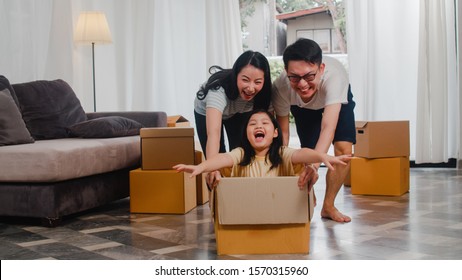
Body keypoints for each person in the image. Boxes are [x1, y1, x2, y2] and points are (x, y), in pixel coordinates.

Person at [272, 38, 356, 223]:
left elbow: (328, 128)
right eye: (294, 77)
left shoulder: (335, 77)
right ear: (286, 72)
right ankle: (307, 197)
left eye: (309, 76)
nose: (302, 84)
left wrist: (315, 167)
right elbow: (283, 135)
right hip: (302, 107)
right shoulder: (281, 87)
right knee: (307, 153)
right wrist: (282, 162)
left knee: (343, 150)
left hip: (334, 101)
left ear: (321, 69)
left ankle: (328, 206)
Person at [175, 109, 350, 182]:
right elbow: (222, 158)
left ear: (275, 132)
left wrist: (321, 156)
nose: (258, 126)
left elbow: (302, 154)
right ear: (246, 133)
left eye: (265, 123)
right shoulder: (241, 154)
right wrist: (202, 167)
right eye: (253, 124)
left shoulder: (282, 153)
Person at [194, 50, 272, 187]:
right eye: (245, 80)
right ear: (236, 75)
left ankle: (240, 194)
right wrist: (212, 168)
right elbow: (214, 134)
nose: (251, 88)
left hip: (237, 112)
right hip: (206, 112)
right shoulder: (218, 91)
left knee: (241, 153)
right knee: (216, 161)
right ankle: (218, 201)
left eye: (258, 82)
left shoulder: (264, 94)